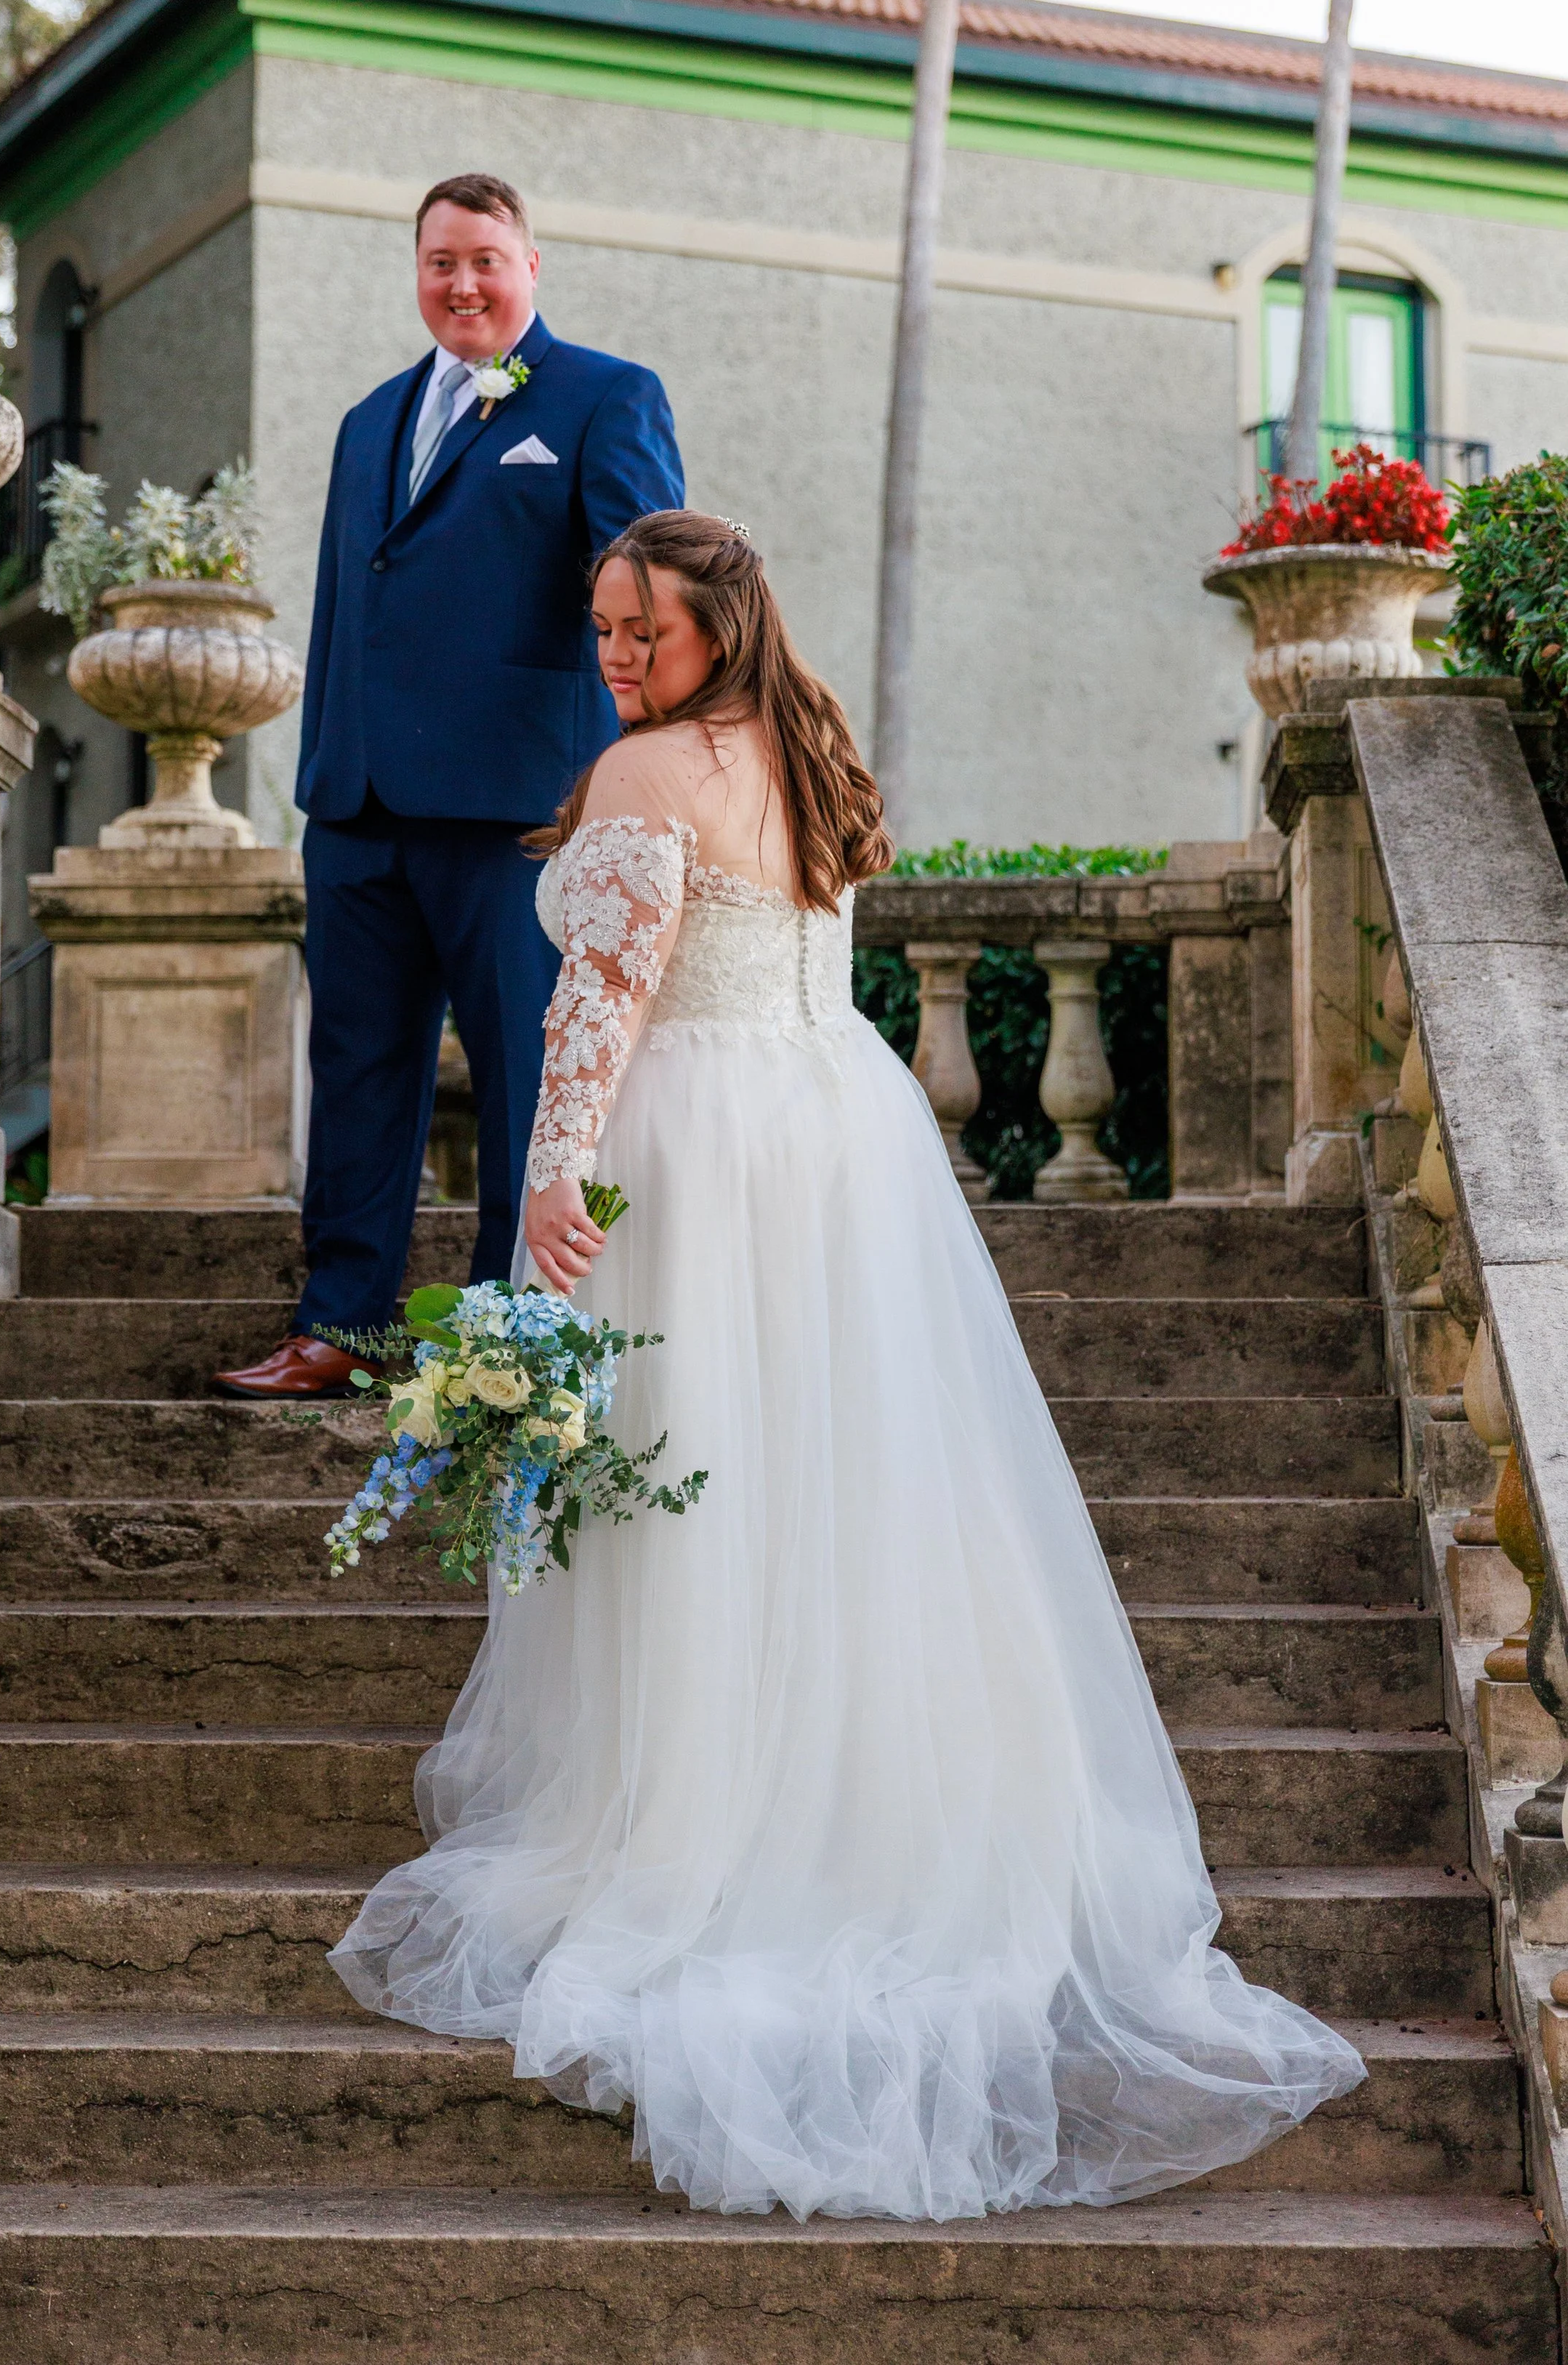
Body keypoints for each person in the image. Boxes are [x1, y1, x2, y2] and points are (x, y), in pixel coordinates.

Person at [329, 509, 1365, 2220]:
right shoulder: (809, 752)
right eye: (597, 630)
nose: (609, 658)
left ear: (711, 627)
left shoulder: (646, 775)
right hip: (835, 1132)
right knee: (836, 1477)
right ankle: (839, 1791)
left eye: (634, 631)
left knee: (704, 1470)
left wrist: (547, 1181)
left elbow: (597, 1003)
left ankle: (705, 1818)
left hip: (693, 1147)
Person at [214, 174, 684, 1401]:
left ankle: (499, 1336)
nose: (462, 283)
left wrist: (643, 766)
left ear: (533, 265)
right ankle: (344, 1327)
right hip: (359, 808)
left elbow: (644, 591)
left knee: (526, 1075)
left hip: (518, 802)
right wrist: (324, 770)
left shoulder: (604, 397)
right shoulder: (368, 419)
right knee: (360, 1069)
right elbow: (343, 606)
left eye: (485, 258)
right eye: (439, 262)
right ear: (416, 271)